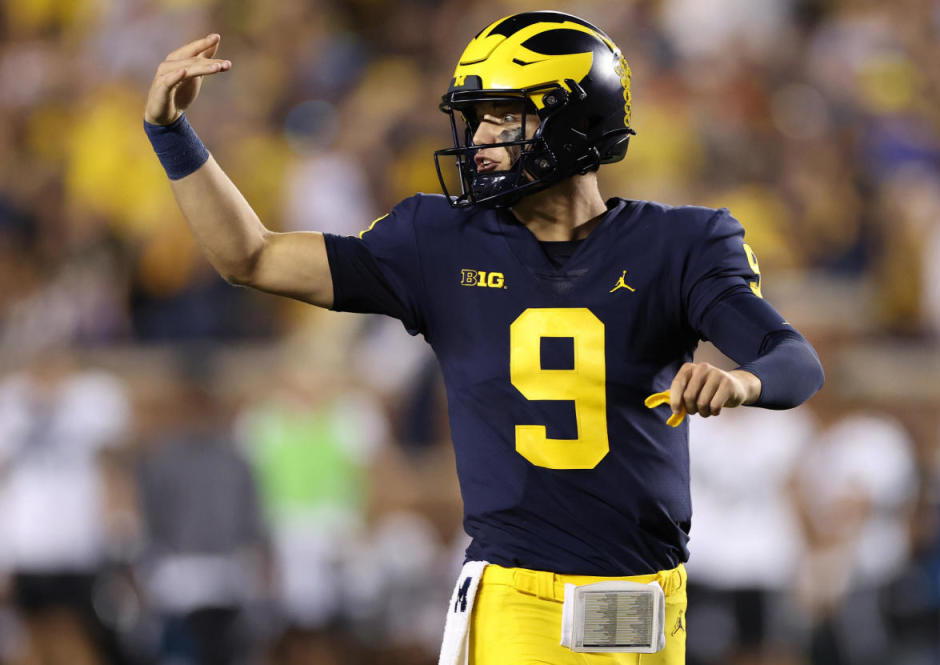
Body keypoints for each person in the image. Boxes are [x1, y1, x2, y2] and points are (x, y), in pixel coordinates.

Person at [142, 11, 824, 665]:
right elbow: (251, 256)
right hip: (522, 596)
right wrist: (172, 131)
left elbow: (793, 360)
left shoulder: (680, 242)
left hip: (651, 600)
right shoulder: (437, 242)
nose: (479, 139)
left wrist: (741, 381)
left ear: (576, 114)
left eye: (505, 115)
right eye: (476, 119)